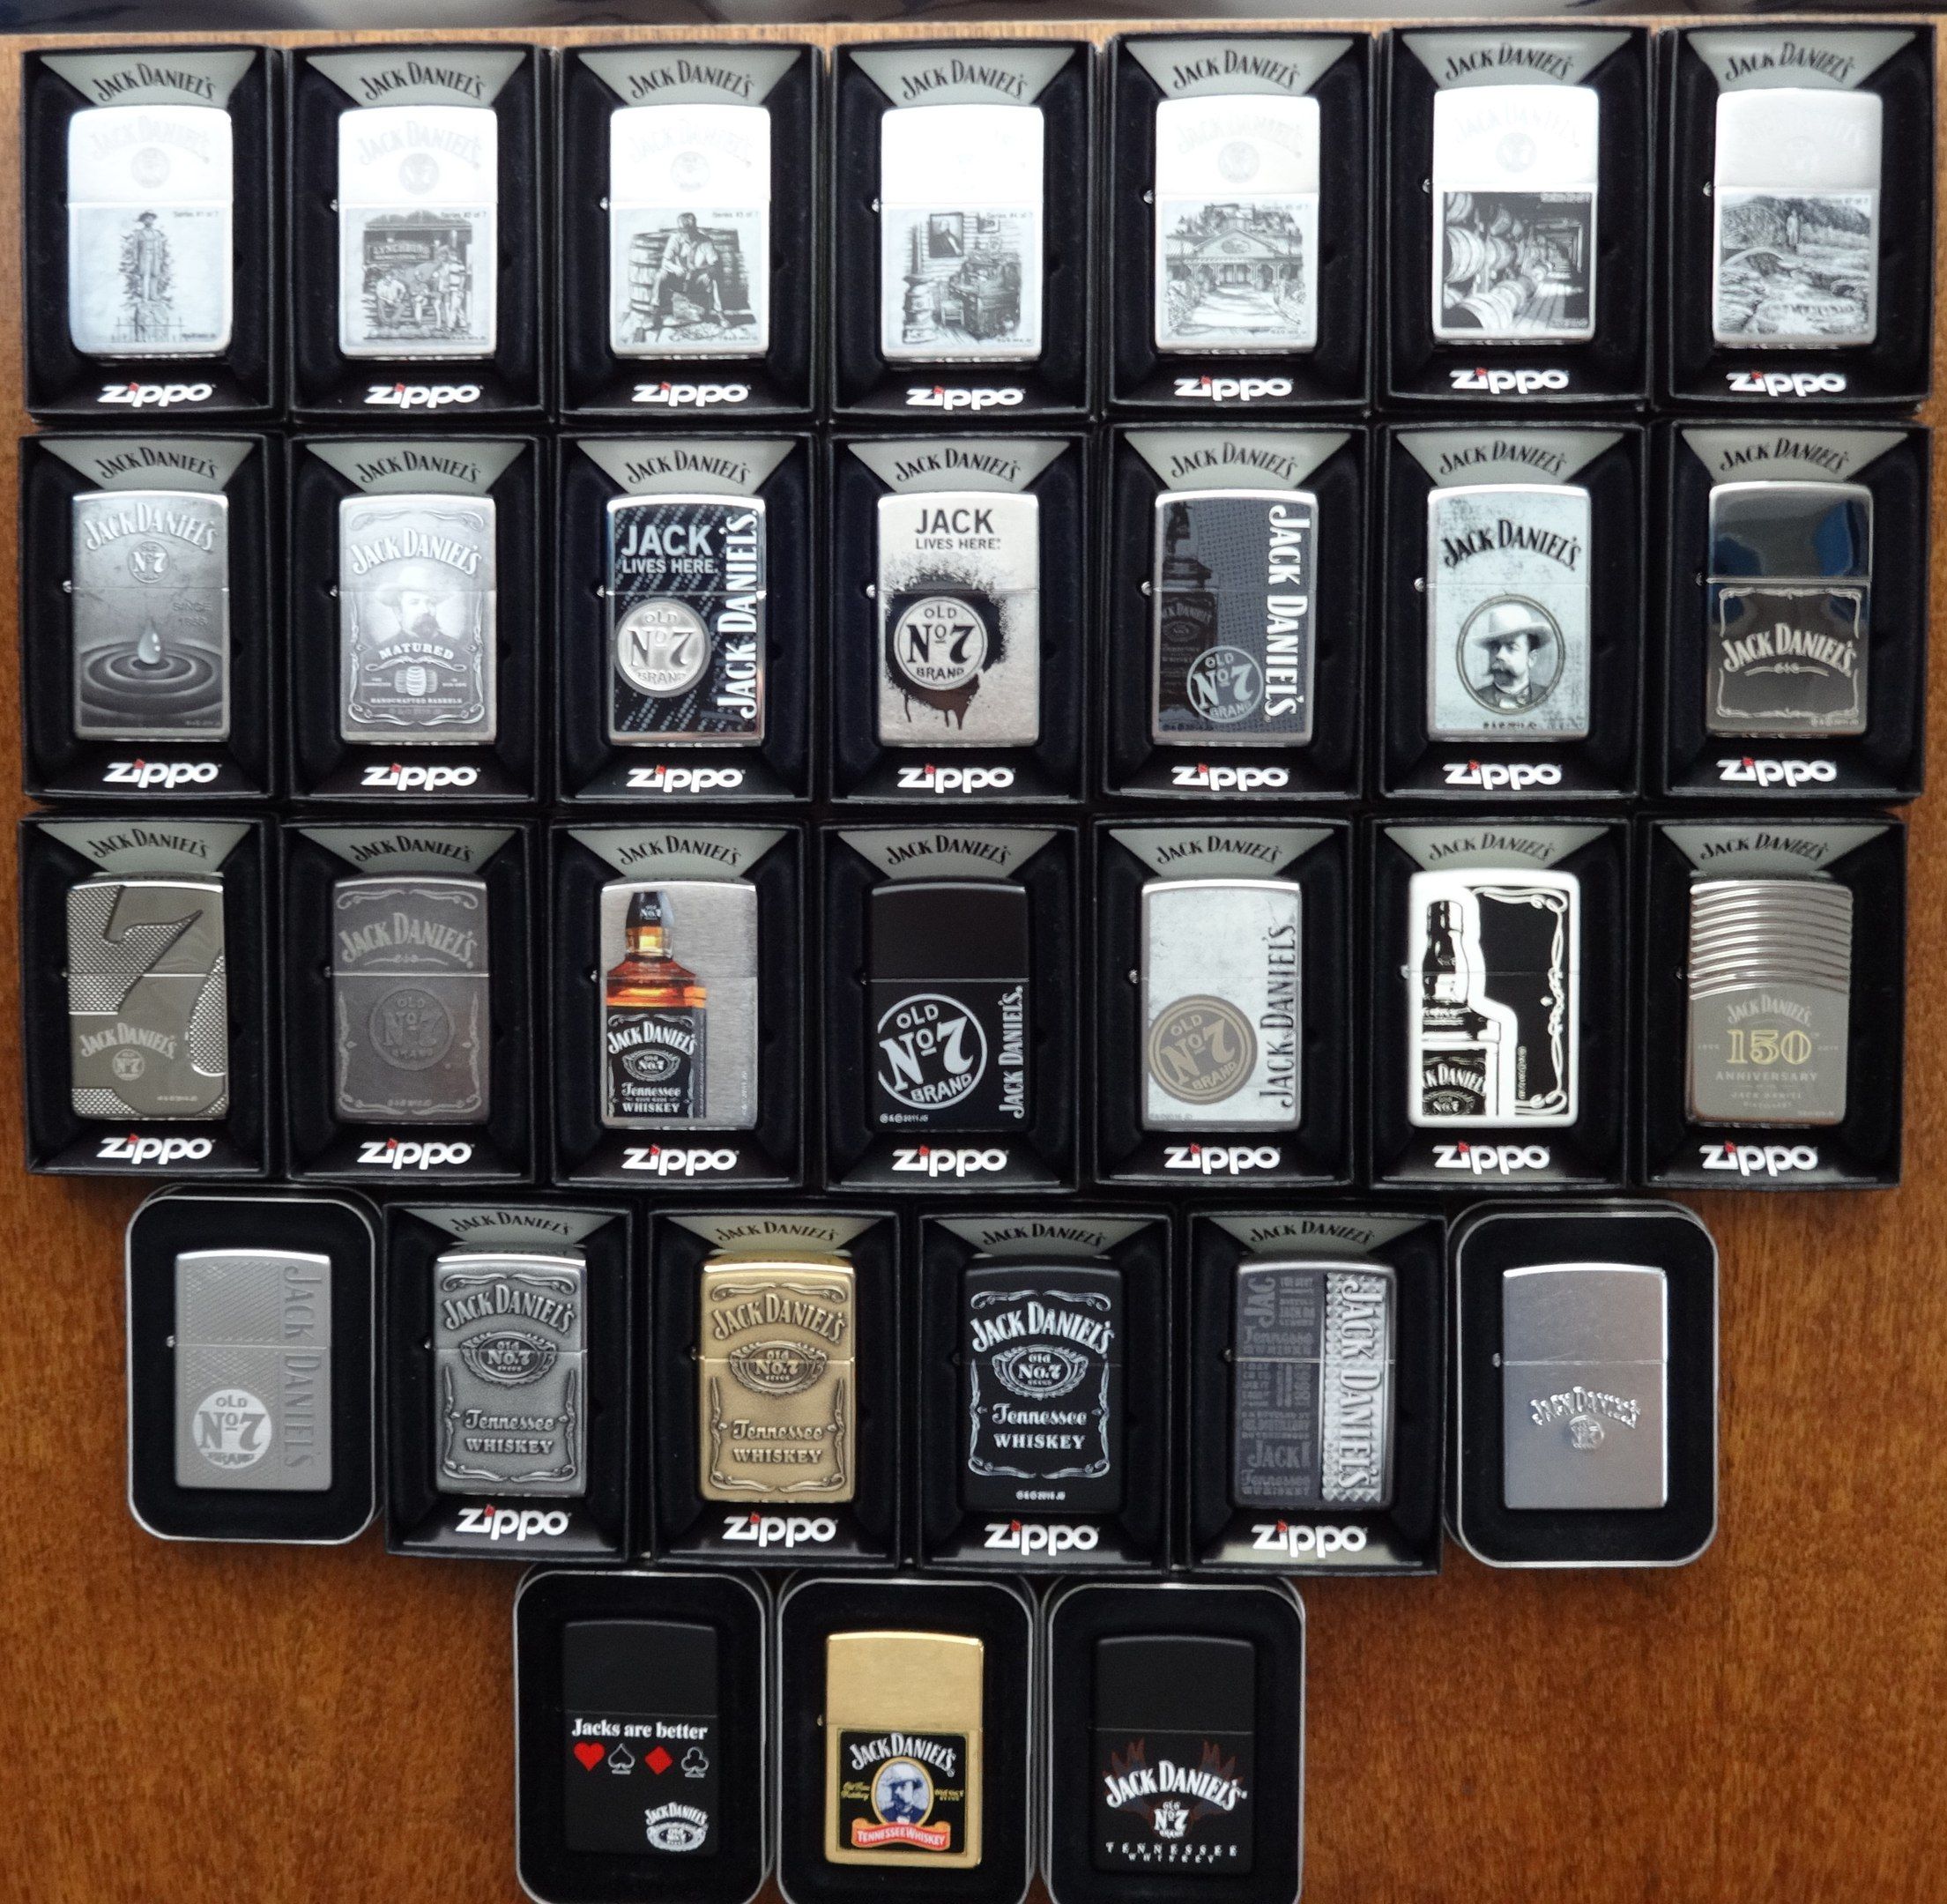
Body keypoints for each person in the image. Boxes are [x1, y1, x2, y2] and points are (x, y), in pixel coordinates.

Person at [1465, 599, 1558, 711]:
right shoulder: (1474, 700)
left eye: (1511, 647)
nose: (1499, 655)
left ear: (1531, 658)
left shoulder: (1550, 699)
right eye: (1495, 647)